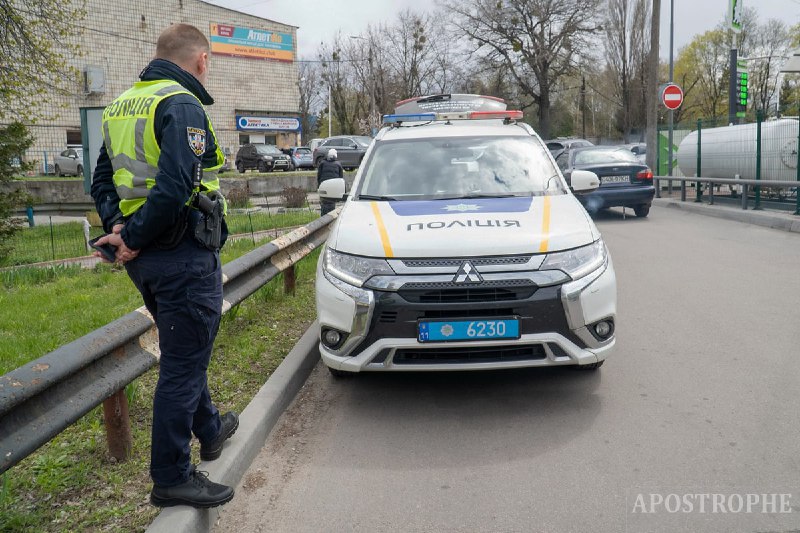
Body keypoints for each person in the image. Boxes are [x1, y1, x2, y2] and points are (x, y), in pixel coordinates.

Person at [90, 23, 238, 509]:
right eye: (208, 62)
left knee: (185, 350)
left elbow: (101, 182)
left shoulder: (121, 105)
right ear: (201, 60)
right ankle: (172, 476)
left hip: (148, 262)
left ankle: (212, 430)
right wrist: (129, 237)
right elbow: (177, 185)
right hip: (182, 255)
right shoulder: (181, 103)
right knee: (182, 364)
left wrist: (121, 231)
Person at [316, 148, 344, 215]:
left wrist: (319, 185)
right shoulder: (338, 164)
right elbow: (341, 177)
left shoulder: (322, 163)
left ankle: (323, 217)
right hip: (333, 188)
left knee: (324, 202)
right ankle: (330, 218)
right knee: (331, 203)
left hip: (323, 186)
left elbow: (319, 175)